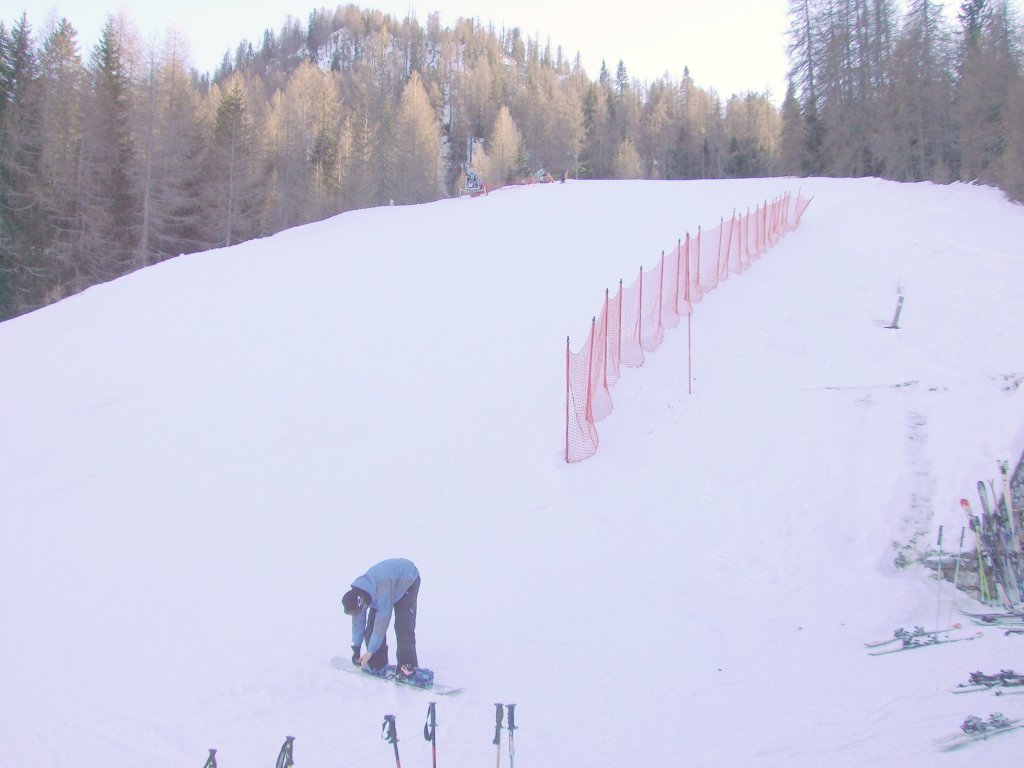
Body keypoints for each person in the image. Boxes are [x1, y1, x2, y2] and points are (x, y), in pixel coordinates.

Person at [342, 558, 421, 680]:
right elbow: (358, 623)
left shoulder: (380, 591)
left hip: (407, 581)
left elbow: (381, 624)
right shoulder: (359, 596)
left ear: (360, 601)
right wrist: (356, 648)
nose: (356, 614)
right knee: (371, 628)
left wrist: (369, 651)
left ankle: (407, 665)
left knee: (403, 626)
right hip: (388, 584)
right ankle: (376, 662)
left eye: (356, 611)